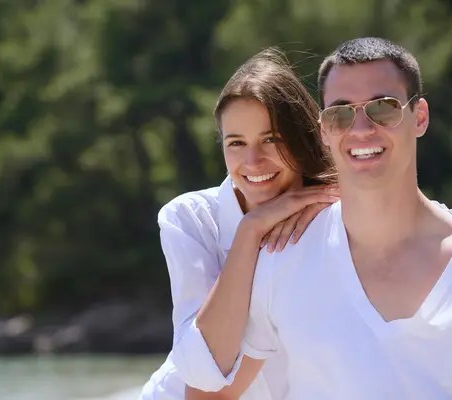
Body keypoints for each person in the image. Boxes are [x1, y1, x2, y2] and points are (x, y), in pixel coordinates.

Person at [185, 37, 452, 399]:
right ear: (324, 129)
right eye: (340, 113)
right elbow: (207, 394)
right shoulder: (283, 258)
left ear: (419, 117)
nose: (360, 129)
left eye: (383, 108)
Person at [139, 48, 340, 399]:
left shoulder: (336, 215)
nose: (253, 161)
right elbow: (204, 375)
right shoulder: (190, 218)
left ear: (302, 138)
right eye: (236, 143)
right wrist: (251, 232)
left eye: (271, 139)